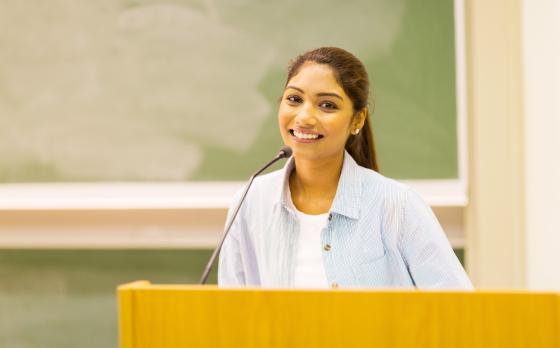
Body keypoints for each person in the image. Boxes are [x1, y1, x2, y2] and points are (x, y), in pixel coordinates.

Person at [218, 47, 472, 289]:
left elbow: (459, 310)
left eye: (327, 105)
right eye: (294, 99)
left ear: (357, 120)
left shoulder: (397, 205)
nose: (305, 117)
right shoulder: (250, 201)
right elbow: (230, 312)